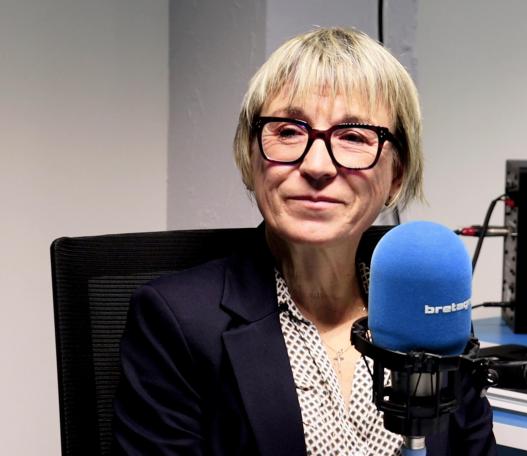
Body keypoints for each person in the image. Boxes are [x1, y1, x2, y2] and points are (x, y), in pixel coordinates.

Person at [112, 27, 496, 455]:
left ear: (396, 175)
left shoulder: (427, 311)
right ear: (250, 156)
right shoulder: (176, 321)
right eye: (289, 131)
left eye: (353, 136)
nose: (317, 166)